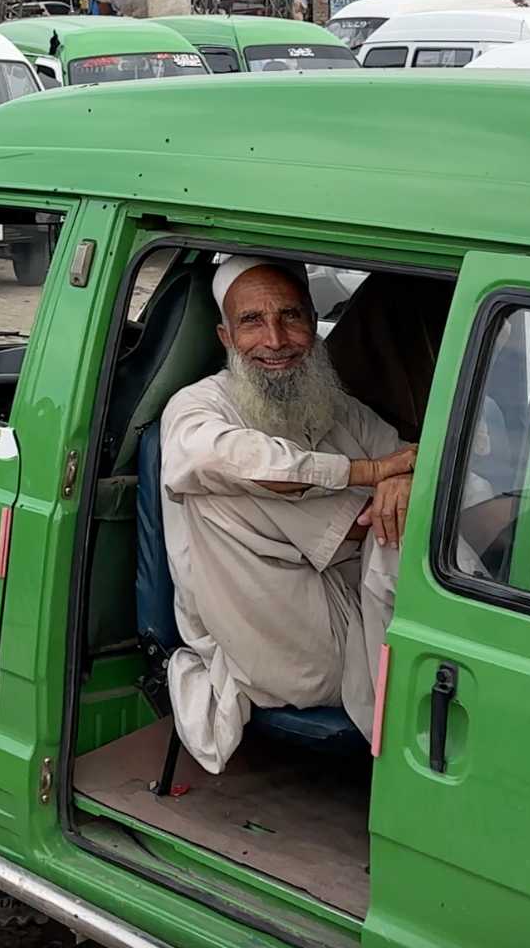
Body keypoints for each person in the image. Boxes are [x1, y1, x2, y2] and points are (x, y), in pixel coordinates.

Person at [156, 257, 419, 774]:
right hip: (284, 645)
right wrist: (368, 473)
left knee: (408, 503)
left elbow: (410, 453)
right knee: (220, 482)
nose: (275, 339)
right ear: (225, 336)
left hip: (366, 612)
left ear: (313, 325)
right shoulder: (197, 406)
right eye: (252, 321)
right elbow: (225, 460)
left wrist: (401, 479)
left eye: (291, 317)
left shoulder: (334, 406)